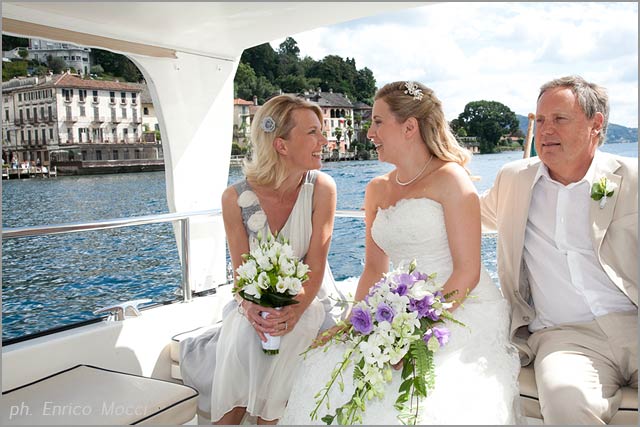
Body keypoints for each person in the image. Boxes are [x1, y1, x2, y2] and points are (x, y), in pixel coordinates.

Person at [281, 81, 520, 424]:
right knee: (333, 366)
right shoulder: (376, 189)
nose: (369, 131)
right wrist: (354, 323)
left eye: (378, 121)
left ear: (409, 127)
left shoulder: (452, 180)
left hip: (459, 305)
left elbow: (468, 271)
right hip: (396, 306)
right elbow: (374, 270)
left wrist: (416, 331)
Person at [480, 75, 638, 424]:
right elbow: (468, 215)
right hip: (566, 338)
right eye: (540, 121)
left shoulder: (633, 177)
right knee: (566, 404)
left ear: (595, 125)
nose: (545, 131)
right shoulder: (514, 180)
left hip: (635, 322)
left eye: (560, 119)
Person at [210, 94, 338, 425]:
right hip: (256, 299)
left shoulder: (322, 188)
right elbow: (241, 273)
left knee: (291, 337)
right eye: (313, 133)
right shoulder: (234, 199)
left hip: (312, 296)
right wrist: (250, 306)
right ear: (281, 145)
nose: (324, 141)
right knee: (243, 334)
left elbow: (316, 263)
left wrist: (294, 312)